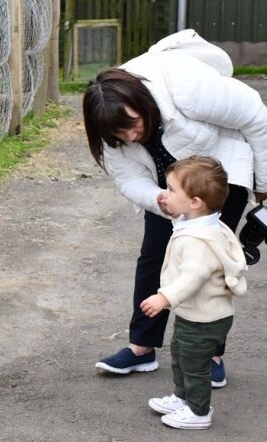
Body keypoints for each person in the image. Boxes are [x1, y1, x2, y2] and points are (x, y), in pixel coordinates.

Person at [84, 45, 267, 384]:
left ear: (141, 101)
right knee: (155, 255)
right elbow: (127, 177)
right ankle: (141, 347)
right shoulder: (109, 125)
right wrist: (160, 199)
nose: (131, 136)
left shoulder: (184, 88)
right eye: (119, 135)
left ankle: (209, 354)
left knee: (207, 263)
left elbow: (255, 116)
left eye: (133, 126)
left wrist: (264, 182)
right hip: (168, 189)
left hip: (218, 180)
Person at [141, 155, 247, 430]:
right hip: (198, 314)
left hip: (205, 318)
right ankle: (182, 397)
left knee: (194, 364)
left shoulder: (199, 242)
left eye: (172, 189)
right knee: (180, 354)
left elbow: (193, 276)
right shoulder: (206, 224)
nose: (165, 194)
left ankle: (199, 411)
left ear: (195, 202)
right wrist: (177, 214)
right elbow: (186, 231)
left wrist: (164, 297)